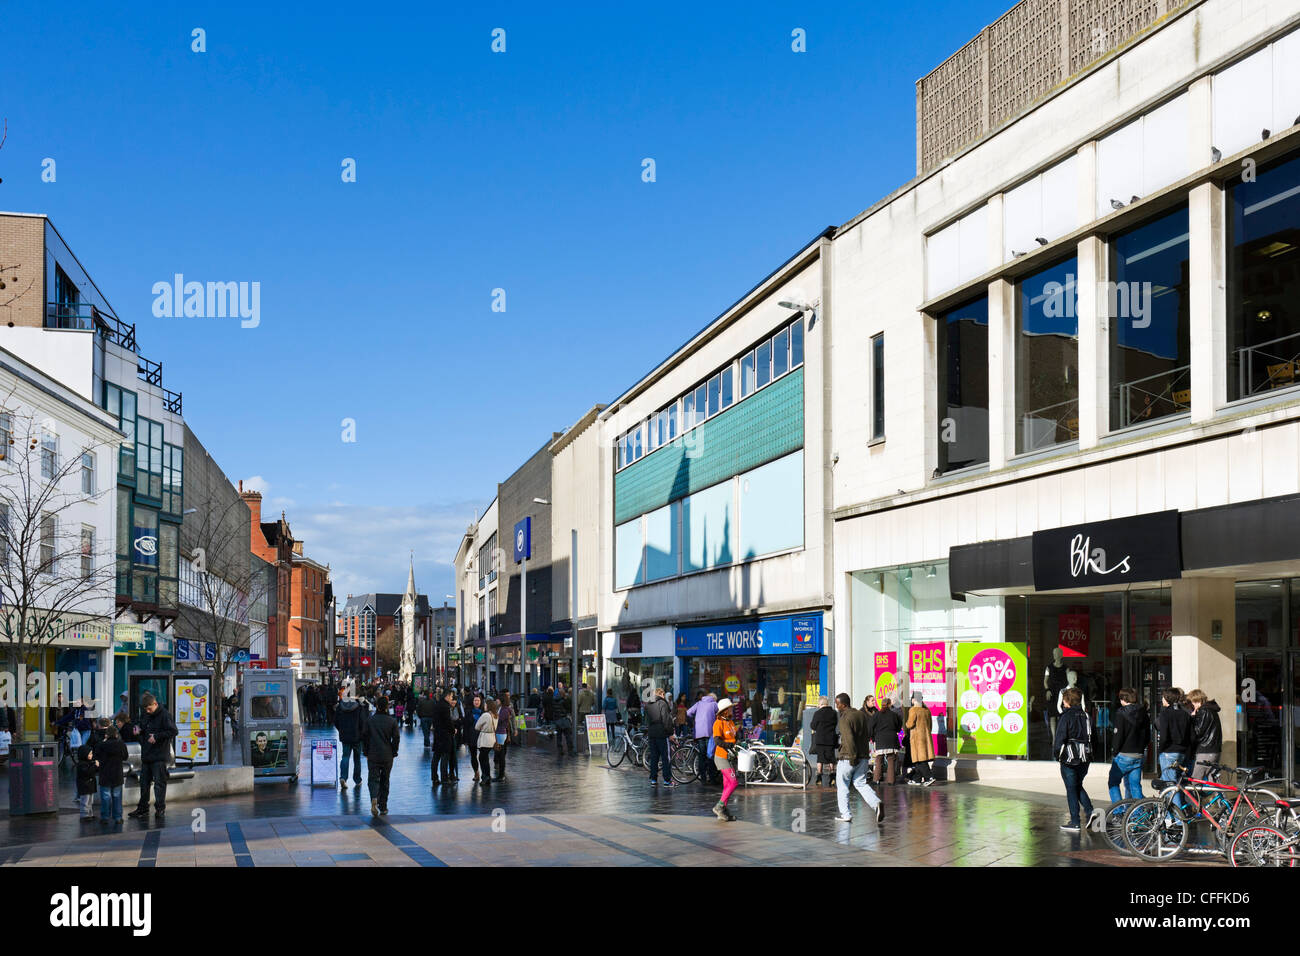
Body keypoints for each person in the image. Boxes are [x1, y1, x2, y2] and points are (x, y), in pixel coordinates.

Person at [831, 692, 884, 824]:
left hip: (848, 757)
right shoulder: (860, 715)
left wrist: (852, 757)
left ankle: (846, 814)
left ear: (843, 704)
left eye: (838, 704)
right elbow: (866, 735)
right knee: (860, 783)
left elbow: (848, 739)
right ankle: (876, 803)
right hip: (863, 755)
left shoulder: (844, 718)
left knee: (842, 785)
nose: (836, 706)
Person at [127, 692, 176, 821]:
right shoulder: (146, 714)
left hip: (159, 755)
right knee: (144, 783)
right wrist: (138, 730)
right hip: (147, 755)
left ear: (155, 703)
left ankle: (160, 809)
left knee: (159, 784)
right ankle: (143, 808)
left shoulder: (165, 715)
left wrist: (157, 737)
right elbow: (142, 726)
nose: (148, 711)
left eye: (149, 709)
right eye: (146, 709)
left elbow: (173, 731)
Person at [1054, 686, 1098, 833]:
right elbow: (1094, 737)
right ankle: (1090, 811)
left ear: (1067, 701)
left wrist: (1056, 754)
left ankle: (1075, 821)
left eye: (1064, 700)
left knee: (1071, 789)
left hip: (1070, 757)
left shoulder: (1066, 717)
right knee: (1077, 785)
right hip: (1085, 757)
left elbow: (1060, 738)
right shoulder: (1086, 716)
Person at [1108, 687, 1149, 803]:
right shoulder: (1143, 712)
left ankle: (1118, 812)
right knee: (1135, 786)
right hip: (1138, 754)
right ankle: (1138, 814)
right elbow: (1147, 735)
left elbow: (1118, 736)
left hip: (1124, 754)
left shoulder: (1121, 714)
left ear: (1123, 699)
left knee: (1113, 783)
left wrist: (1114, 751)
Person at [362, 696, 399, 816]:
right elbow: (396, 738)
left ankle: (374, 797)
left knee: (373, 778)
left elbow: (365, 737)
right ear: (387, 707)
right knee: (385, 780)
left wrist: (366, 752)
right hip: (387, 755)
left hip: (373, 754)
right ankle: (383, 806)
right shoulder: (392, 721)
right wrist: (394, 751)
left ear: (377, 706)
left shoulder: (370, 720)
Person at [93, 719, 128, 825]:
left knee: (105, 797)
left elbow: (96, 756)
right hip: (117, 774)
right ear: (116, 734)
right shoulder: (121, 744)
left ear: (106, 735)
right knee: (117, 796)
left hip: (105, 774)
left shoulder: (101, 745)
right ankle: (118, 818)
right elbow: (125, 757)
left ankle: (105, 817)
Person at [711, 699, 740, 821]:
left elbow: (734, 736)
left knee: (727, 784)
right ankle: (719, 806)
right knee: (733, 782)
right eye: (729, 708)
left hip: (730, 756)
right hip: (722, 757)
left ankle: (723, 811)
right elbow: (717, 741)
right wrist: (730, 745)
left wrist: (737, 741)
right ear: (724, 711)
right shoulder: (718, 723)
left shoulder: (730, 722)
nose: (731, 710)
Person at [1155, 687, 1192, 783]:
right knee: (1176, 782)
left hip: (1169, 752)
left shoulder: (1165, 713)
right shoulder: (1185, 714)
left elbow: (1164, 736)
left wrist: (1161, 750)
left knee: (1170, 785)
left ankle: (1174, 799)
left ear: (1167, 698)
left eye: (1163, 697)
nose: (1162, 699)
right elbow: (1191, 735)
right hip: (1182, 752)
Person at [334, 689, 367, 790]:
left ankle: (343, 777)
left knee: (345, 756)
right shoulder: (359, 706)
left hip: (345, 736)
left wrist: (341, 730)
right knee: (357, 759)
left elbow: (336, 721)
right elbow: (363, 722)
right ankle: (357, 779)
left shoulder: (340, 706)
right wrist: (362, 733)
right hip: (357, 736)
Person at [1187, 688, 1222, 781]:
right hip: (1214, 749)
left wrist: (1193, 718)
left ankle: (1196, 796)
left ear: (1197, 701)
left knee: (1195, 780)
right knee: (1212, 780)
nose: (1192, 705)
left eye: (1193, 702)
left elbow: (1198, 731)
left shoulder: (1204, 711)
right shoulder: (1212, 710)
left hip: (1205, 750)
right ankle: (1218, 795)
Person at [644, 687, 676, 787]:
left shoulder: (648, 704)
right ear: (662, 694)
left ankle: (653, 779)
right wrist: (670, 733)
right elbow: (666, 719)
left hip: (652, 733)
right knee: (665, 758)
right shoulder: (662, 703)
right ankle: (667, 780)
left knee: (654, 757)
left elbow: (646, 720)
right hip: (662, 733)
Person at [688, 691, 720, 785]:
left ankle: (703, 778)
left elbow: (688, 713)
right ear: (714, 699)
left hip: (699, 732)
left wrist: (695, 721)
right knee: (710, 755)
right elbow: (720, 714)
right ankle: (712, 778)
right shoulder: (714, 704)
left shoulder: (698, 703)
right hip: (710, 732)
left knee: (702, 755)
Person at [905, 693, 936, 786]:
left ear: (914, 699)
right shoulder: (926, 711)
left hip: (917, 739)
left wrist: (906, 724)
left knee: (920, 760)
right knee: (919, 759)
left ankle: (929, 777)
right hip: (926, 737)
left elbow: (909, 724)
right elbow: (930, 726)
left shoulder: (913, 710)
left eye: (912, 698)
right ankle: (916, 779)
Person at [871, 695, 903, 785]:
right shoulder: (894, 715)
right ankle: (891, 781)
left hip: (880, 739)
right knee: (891, 759)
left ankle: (876, 779)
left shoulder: (876, 715)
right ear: (889, 705)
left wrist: (873, 738)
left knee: (879, 759)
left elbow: (871, 727)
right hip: (891, 738)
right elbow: (898, 726)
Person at [810, 696, 838, 788]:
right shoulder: (834, 713)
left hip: (820, 739)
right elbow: (835, 724)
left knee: (820, 759)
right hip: (830, 739)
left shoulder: (818, 713)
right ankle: (832, 776)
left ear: (821, 704)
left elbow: (813, 726)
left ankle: (819, 777)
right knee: (831, 758)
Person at [431, 689, 457, 786]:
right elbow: (448, 721)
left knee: (436, 757)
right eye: (451, 697)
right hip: (445, 736)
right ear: (447, 696)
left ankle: (434, 778)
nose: (451, 698)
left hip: (437, 734)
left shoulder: (437, 704)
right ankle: (444, 778)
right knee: (445, 757)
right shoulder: (445, 707)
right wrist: (453, 729)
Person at [475, 700, 499, 787]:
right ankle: (487, 776)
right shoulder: (496, 715)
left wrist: (483, 727)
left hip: (485, 739)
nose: (484, 706)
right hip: (492, 739)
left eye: (485, 705)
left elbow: (477, 726)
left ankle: (485, 777)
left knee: (482, 758)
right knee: (485, 758)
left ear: (488, 706)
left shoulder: (485, 715)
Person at [462, 693, 485, 782]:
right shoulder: (468, 712)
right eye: (475, 700)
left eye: (478, 700)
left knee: (483, 756)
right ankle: (476, 772)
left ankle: (484, 773)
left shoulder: (484, 712)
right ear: (472, 702)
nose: (476, 702)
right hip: (471, 736)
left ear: (481, 702)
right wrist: (465, 739)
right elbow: (466, 726)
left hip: (482, 736)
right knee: (473, 756)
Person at [495, 690, 516, 780]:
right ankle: (501, 774)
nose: (497, 701)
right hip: (500, 733)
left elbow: (499, 721)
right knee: (500, 753)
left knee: (501, 754)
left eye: (498, 699)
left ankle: (501, 775)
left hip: (501, 733)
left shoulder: (504, 710)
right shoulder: (502, 708)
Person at [75, 739, 98, 819]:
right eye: (90, 754)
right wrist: (95, 766)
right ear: (84, 754)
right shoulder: (82, 764)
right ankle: (84, 815)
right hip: (85, 786)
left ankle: (90, 814)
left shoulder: (89, 763)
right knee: (85, 801)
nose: (91, 755)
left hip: (89, 786)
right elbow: (88, 772)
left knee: (90, 801)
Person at [553, 686, 575, 755]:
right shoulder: (565, 700)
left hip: (557, 720)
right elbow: (569, 708)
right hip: (564, 719)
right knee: (568, 735)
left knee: (559, 736)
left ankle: (560, 750)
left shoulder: (554, 700)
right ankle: (570, 750)